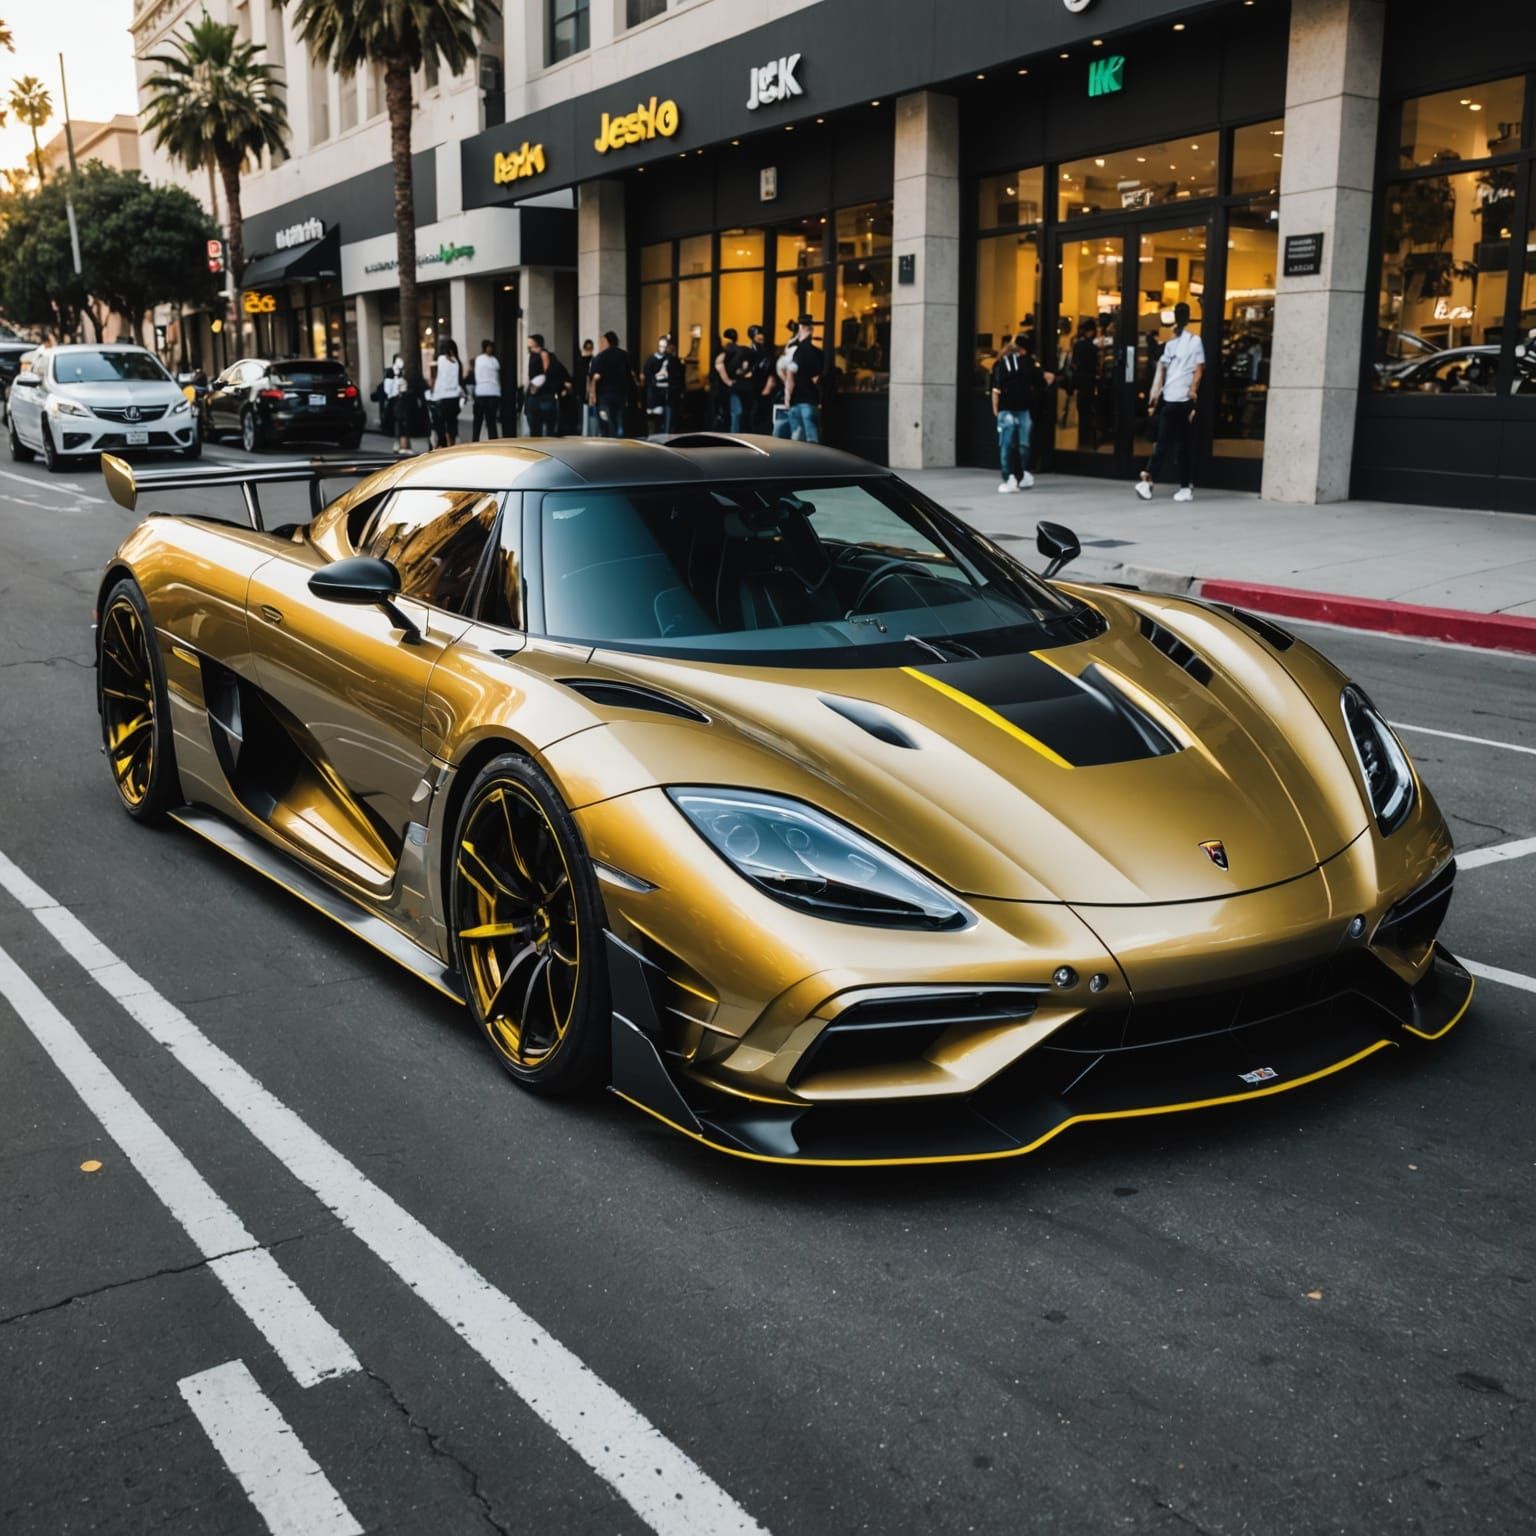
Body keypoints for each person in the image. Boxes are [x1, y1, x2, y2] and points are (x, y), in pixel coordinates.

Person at [1135, 301, 1204, 502]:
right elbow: (1162, 372)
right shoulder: (1171, 344)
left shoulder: (1194, 341)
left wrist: (1192, 389)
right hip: (1171, 398)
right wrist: (1156, 395)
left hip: (1182, 399)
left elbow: (1199, 368)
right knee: (1167, 442)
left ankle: (1173, 484)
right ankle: (1156, 481)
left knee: (1176, 444)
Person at [991, 334, 1055, 493]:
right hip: (1023, 409)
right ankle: (1023, 474)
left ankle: (1010, 478)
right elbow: (1044, 380)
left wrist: (995, 410)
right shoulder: (1030, 363)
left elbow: (995, 390)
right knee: (1023, 444)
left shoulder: (1002, 363)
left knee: (1007, 445)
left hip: (1006, 409)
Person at [773, 316, 823, 443]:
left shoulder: (796, 350)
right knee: (811, 437)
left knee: (797, 437)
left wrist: (787, 396)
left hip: (797, 399)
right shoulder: (814, 350)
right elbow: (816, 377)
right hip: (809, 399)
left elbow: (789, 375)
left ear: (801, 328)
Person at [523, 333, 568, 437]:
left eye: (530, 341)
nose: (527, 344)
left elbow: (547, 373)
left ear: (536, 343)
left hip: (542, 395)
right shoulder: (533, 355)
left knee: (541, 427)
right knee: (540, 427)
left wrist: (536, 386)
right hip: (539, 395)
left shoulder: (544, 354)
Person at [588, 330, 631, 437]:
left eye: (602, 342)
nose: (600, 345)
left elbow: (595, 377)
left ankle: (610, 439)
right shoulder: (625, 356)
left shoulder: (600, 357)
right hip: (621, 394)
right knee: (619, 420)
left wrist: (592, 395)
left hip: (604, 395)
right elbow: (630, 375)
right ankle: (620, 437)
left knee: (606, 423)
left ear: (607, 342)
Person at [642, 333, 685, 434]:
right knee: (664, 419)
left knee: (660, 420)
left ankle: (657, 436)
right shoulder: (671, 360)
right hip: (665, 393)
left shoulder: (657, 359)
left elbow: (646, 376)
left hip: (663, 393)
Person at [1070, 320, 1099, 449]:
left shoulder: (1077, 345)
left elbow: (1074, 363)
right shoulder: (1093, 347)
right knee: (1089, 406)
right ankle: (1087, 433)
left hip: (1080, 379)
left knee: (1081, 406)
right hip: (1090, 379)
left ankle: (1082, 432)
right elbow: (1095, 364)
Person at [429, 339, 463, 449]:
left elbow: (433, 378)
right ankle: (451, 442)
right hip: (454, 396)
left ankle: (442, 443)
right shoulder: (457, 361)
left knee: (439, 423)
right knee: (452, 422)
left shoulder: (440, 359)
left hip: (441, 396)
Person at [711, 329, 742, 430]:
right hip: (729, 387)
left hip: (722, 387)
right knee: (734, 412)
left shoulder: (726, 350)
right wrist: (728, 381)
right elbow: (719, 365)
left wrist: (727, 381)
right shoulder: (733, 350)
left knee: (727, 412)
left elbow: (719, 365)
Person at [745, 324, 774, 432]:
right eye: (758, 335)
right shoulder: (750, 351)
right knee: (754, 410)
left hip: (762, 384)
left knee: (762, 410)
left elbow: (770, 369)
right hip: (753, 385)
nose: (761, 337)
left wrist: (768, 385)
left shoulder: (765, 351)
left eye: (761, 335)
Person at [471, 339, 500, 441]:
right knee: (485, 420)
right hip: (486, 392)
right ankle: (477, 440)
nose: (490, 349)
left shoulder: (492, 360)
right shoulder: (487, 360)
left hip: (489, 392)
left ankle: (490, 440)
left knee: (488, 420)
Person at [382, 354, 411, 452]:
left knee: (403, 422)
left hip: (403, 399)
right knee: (399, 422)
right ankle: (400, 444)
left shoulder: (403, 372)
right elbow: (388, 389)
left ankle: (403, 444)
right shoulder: (390, 372)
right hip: (395, 400)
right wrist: (397, 390)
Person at [573, 338, 596, 435]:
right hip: (584, 388)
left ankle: (585, 429)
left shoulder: (587, 360)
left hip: (586, 389)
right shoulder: (590, 360)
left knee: (585, 410)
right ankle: (586, 429)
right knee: (585, 411)